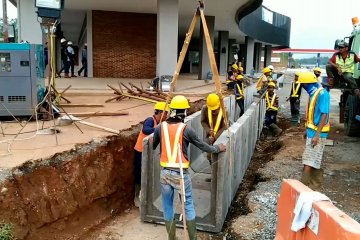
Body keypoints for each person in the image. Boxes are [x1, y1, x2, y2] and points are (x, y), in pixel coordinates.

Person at [153, 95, 226, 240]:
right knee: (188, 207)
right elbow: (203, 146)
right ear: (184, 113)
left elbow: (154, 145)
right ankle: (192, 238)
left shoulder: (160, 127)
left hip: (165, 174)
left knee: (167, 207)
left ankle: (172, 238)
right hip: (180, 175)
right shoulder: (186, 130)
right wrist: (218, 148)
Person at [297, 72, 330, 190]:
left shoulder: (322, 94)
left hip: (318, 133)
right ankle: (314, 186)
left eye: (303, 85)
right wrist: (307, 129)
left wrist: (317, 135)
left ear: (307, 84)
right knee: (313, 160)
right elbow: (312, 114)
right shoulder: (314, 93)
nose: (302, 87)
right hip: (312, 131)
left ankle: (303, 187)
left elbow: (324, 114)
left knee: (308, 160)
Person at [133, 102, 169, 207]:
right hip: (140, 152)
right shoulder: (150, 120)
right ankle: (137, 197)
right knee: (140, 174)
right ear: (161, 112)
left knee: (148, 173)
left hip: (149, 152)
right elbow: (146, 129)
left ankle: (146, 196)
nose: (167, 116)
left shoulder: (161, 123)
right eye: (166, 113)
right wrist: (158, 129)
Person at [201, 93, 227, 164]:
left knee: (218, 154)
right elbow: (203, 122)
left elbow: (225, 126)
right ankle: (211, 164)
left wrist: (215, 137)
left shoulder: (224, 111)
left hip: (220, 136)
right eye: (212, 110)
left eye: (215, 110)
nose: (213, 112)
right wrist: (209, 131)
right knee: (209, 154)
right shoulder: (205, 109)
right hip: (209, 136)